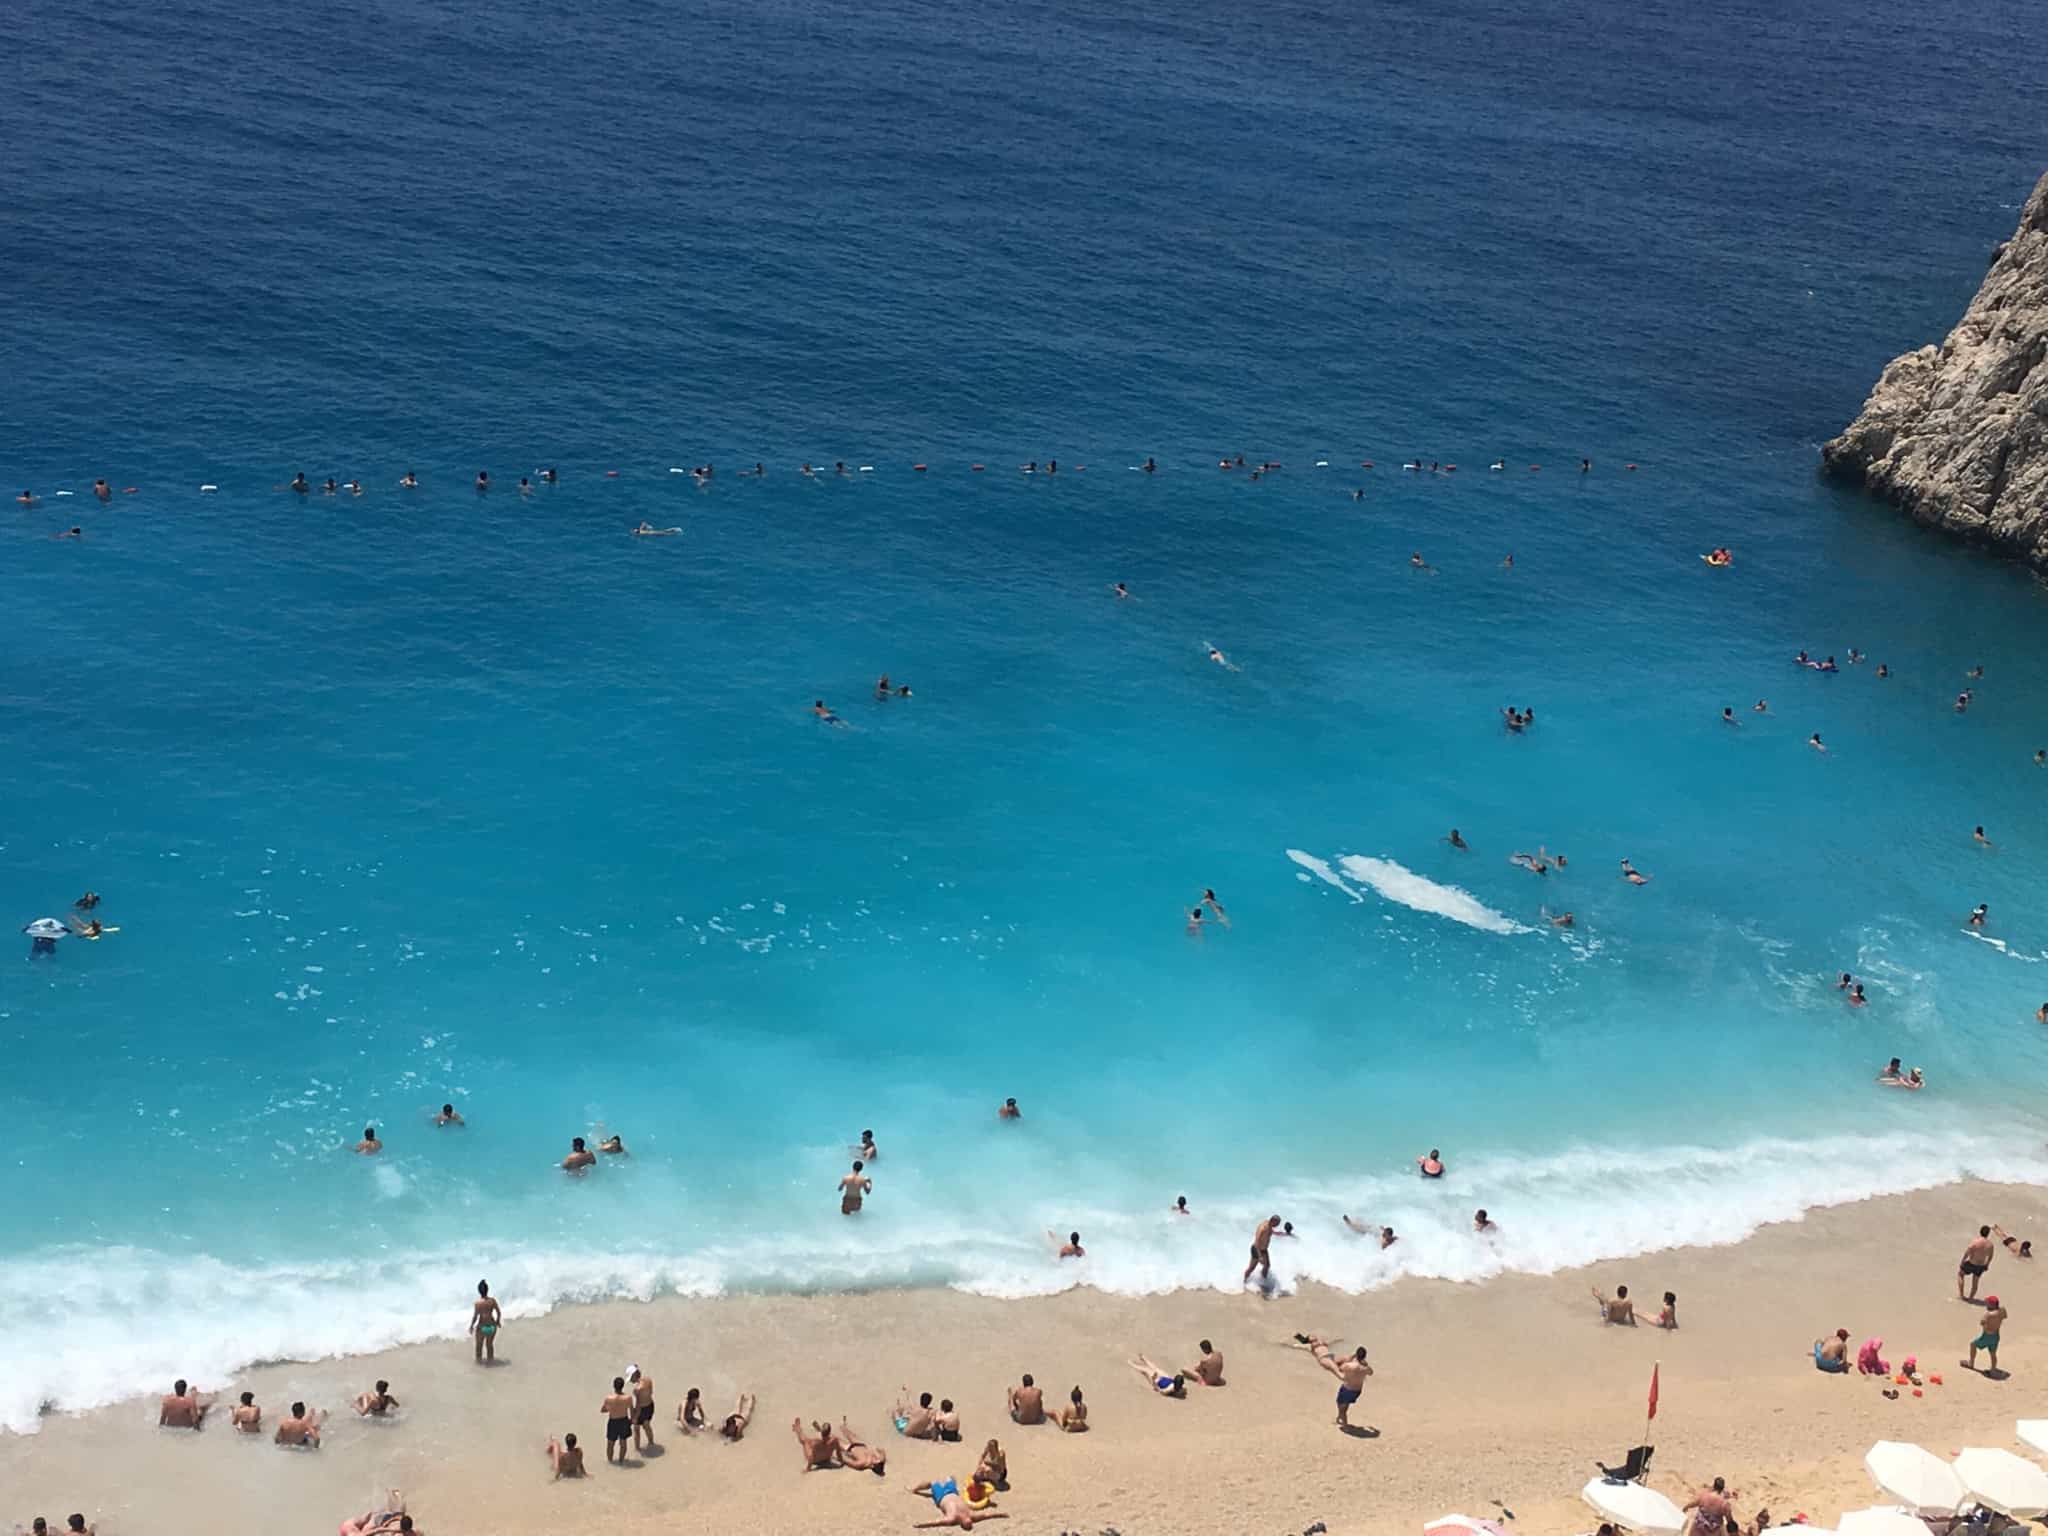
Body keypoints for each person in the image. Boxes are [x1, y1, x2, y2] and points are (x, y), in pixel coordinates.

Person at [1306, 1336, 1371, 1427]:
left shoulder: (1350, 1366)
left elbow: (1340, 1368)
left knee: (1341, 1408)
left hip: (1347, 1389)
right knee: (1344, 1405)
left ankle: (1344, 1425)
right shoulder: (1366, 1368)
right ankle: (1339, 1419)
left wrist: (1349, 1359)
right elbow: (1371, 1373)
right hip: (1357, 1391)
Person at [910, 1477, 985, 1529]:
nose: (970, 1524)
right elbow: (986, 1515)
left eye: (967, 1526)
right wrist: (994, 1514)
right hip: (953, 1492)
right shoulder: (971, 1514)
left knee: (932, 1482)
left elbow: (936, 1522)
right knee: (950, 1478)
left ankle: (914, 1489)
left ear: (962, 1524)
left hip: (941, 1495)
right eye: (971, 1525)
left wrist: (921, 1524)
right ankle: (947, 1481)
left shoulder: (952, 1518)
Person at [1965, 1296, 2008, 1373]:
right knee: (1993, 1354)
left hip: (1987, 1336)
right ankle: (1993, 1369)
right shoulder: (2002, 1311)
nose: (1986, 1304)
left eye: (1987, 1303)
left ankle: (1971, 1363)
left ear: (1992, 1305)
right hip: (1996, 1336)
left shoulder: (1987, 1315)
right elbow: (2005, 1316)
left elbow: (1982, 1324)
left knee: (1973, 1344)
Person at [601, 1375, 634, 1463]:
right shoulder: (628, 1398)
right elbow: (632, 1411)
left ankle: (610, 1462)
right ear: (623, 1386)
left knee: (610, 1443)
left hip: (613, 1422)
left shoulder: (609, 1398)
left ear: (613, 1386)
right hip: (624, 1421)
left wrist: (612, 1408)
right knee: (623, 1442)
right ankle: (621, 1461)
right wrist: (631, 1421)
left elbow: (603, 1410)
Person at [1960, 1226, 1996, 1299]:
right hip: (1981, 1266)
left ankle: (1962, 1295)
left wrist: (1962, 1261)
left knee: (1960, 1274)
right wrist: (1987, 1265)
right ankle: (1970, 1298)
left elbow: (1967, 1252)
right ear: (1988, 1233)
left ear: (1980, 1232)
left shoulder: (1975, 1241)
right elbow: (1990, 1256)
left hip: (1971, 1263)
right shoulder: (1990, 1245)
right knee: (1975, 1282)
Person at [1245, 1213, 1282, 1283]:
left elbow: (1269, 1231)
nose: (1277, 1225)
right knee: (1251, 1268)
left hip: (1264, 1250)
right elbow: (1257, 1242)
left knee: (1267, 1266)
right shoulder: (1263, 1227)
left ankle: (1263, 1281)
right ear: (1273, 1221)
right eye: (1277, 1224)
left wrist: (1277, 1233)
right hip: (1256, 1249)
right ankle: (1244, 1281)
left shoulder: (1269, 1225)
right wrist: (1260, 1256)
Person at [470, 1279, 501, 1363]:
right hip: (492, 1326)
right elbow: (498, 1312)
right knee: (489, 1345)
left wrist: (471, 1326)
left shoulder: (478, 1303)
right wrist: (498, 1321)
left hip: (482, 1327)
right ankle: (491, 1361)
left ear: (479, 1291)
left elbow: (475, 1317)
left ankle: (479, 1363)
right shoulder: (492, 1301)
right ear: (487, 1290)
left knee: (479, 1346)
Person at [629, 1365, 656, 1450]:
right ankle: (651, 1443)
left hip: (642, 1409)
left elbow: (638, 1405)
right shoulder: (648, 1379)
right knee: (647, 1426)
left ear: (634, 1375)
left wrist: (635, 1418)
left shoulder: (637, 1389)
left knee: (636, 1429)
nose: (630, 1381)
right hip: (650, 1406)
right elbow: (651, 1392)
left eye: (630, 1378)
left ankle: (637, 1449)